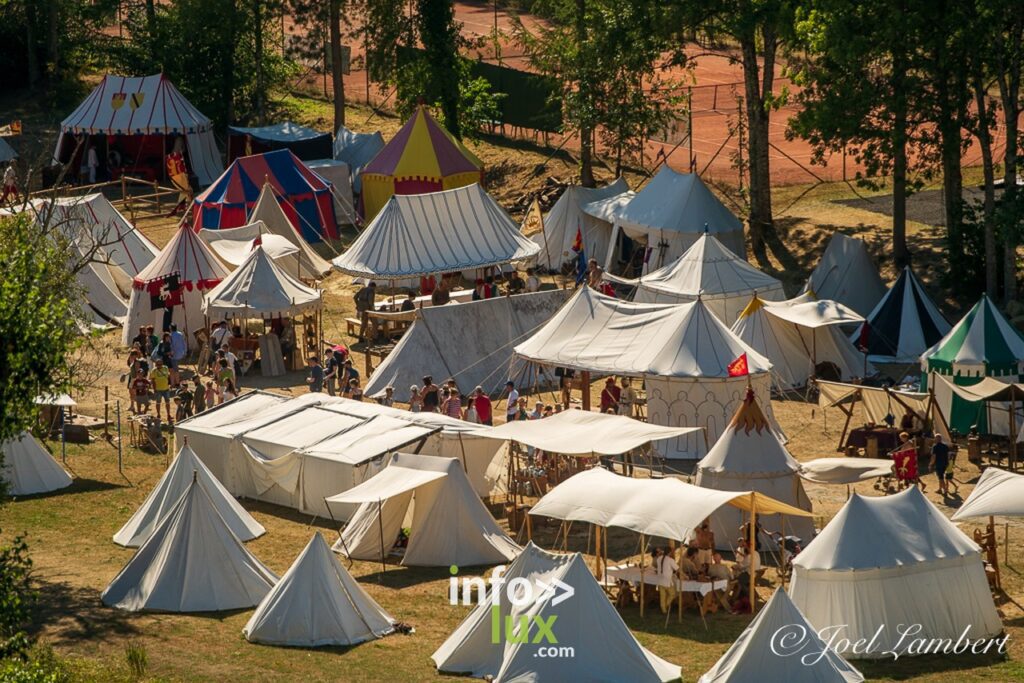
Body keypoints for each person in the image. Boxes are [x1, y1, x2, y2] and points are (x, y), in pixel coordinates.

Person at [166, 137, 191, 217]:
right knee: (185, 189)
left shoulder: (178, 140)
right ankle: (184, 206)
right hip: (177, 162)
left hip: (177, 161)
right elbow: (182, 150)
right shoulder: (180, 140)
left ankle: (183, 205)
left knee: (184, 189)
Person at [654, 547, 678, 614]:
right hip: (667, 581)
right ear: (670, 552)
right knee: (672, 594)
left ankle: (663, 609)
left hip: (660, 580)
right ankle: (665, 605)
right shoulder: (670, 560)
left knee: (663, 596)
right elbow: (677, 568)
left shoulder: (659, 558)